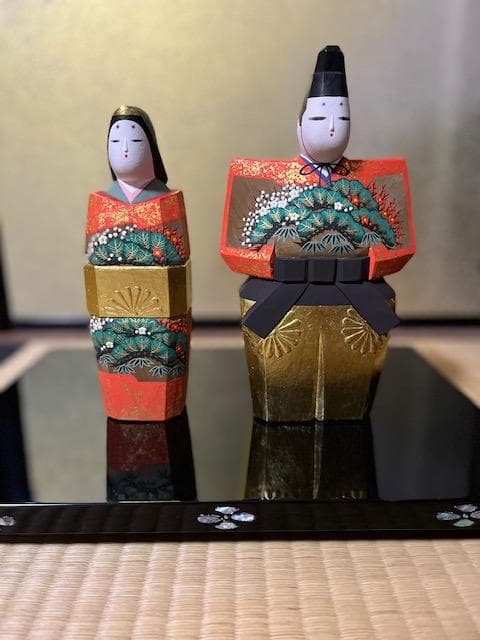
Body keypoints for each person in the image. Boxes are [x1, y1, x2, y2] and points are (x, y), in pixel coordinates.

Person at [220, 46, 416, 422]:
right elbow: (240, 243)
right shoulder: (267, 180)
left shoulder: (373, 179)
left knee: (348, 400)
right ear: (299, 125)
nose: (332, 127)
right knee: (282, 395)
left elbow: (396, 243)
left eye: (342, 117)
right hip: (283, 292)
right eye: (320, 116)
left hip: (354, 292)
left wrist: (370, 251)